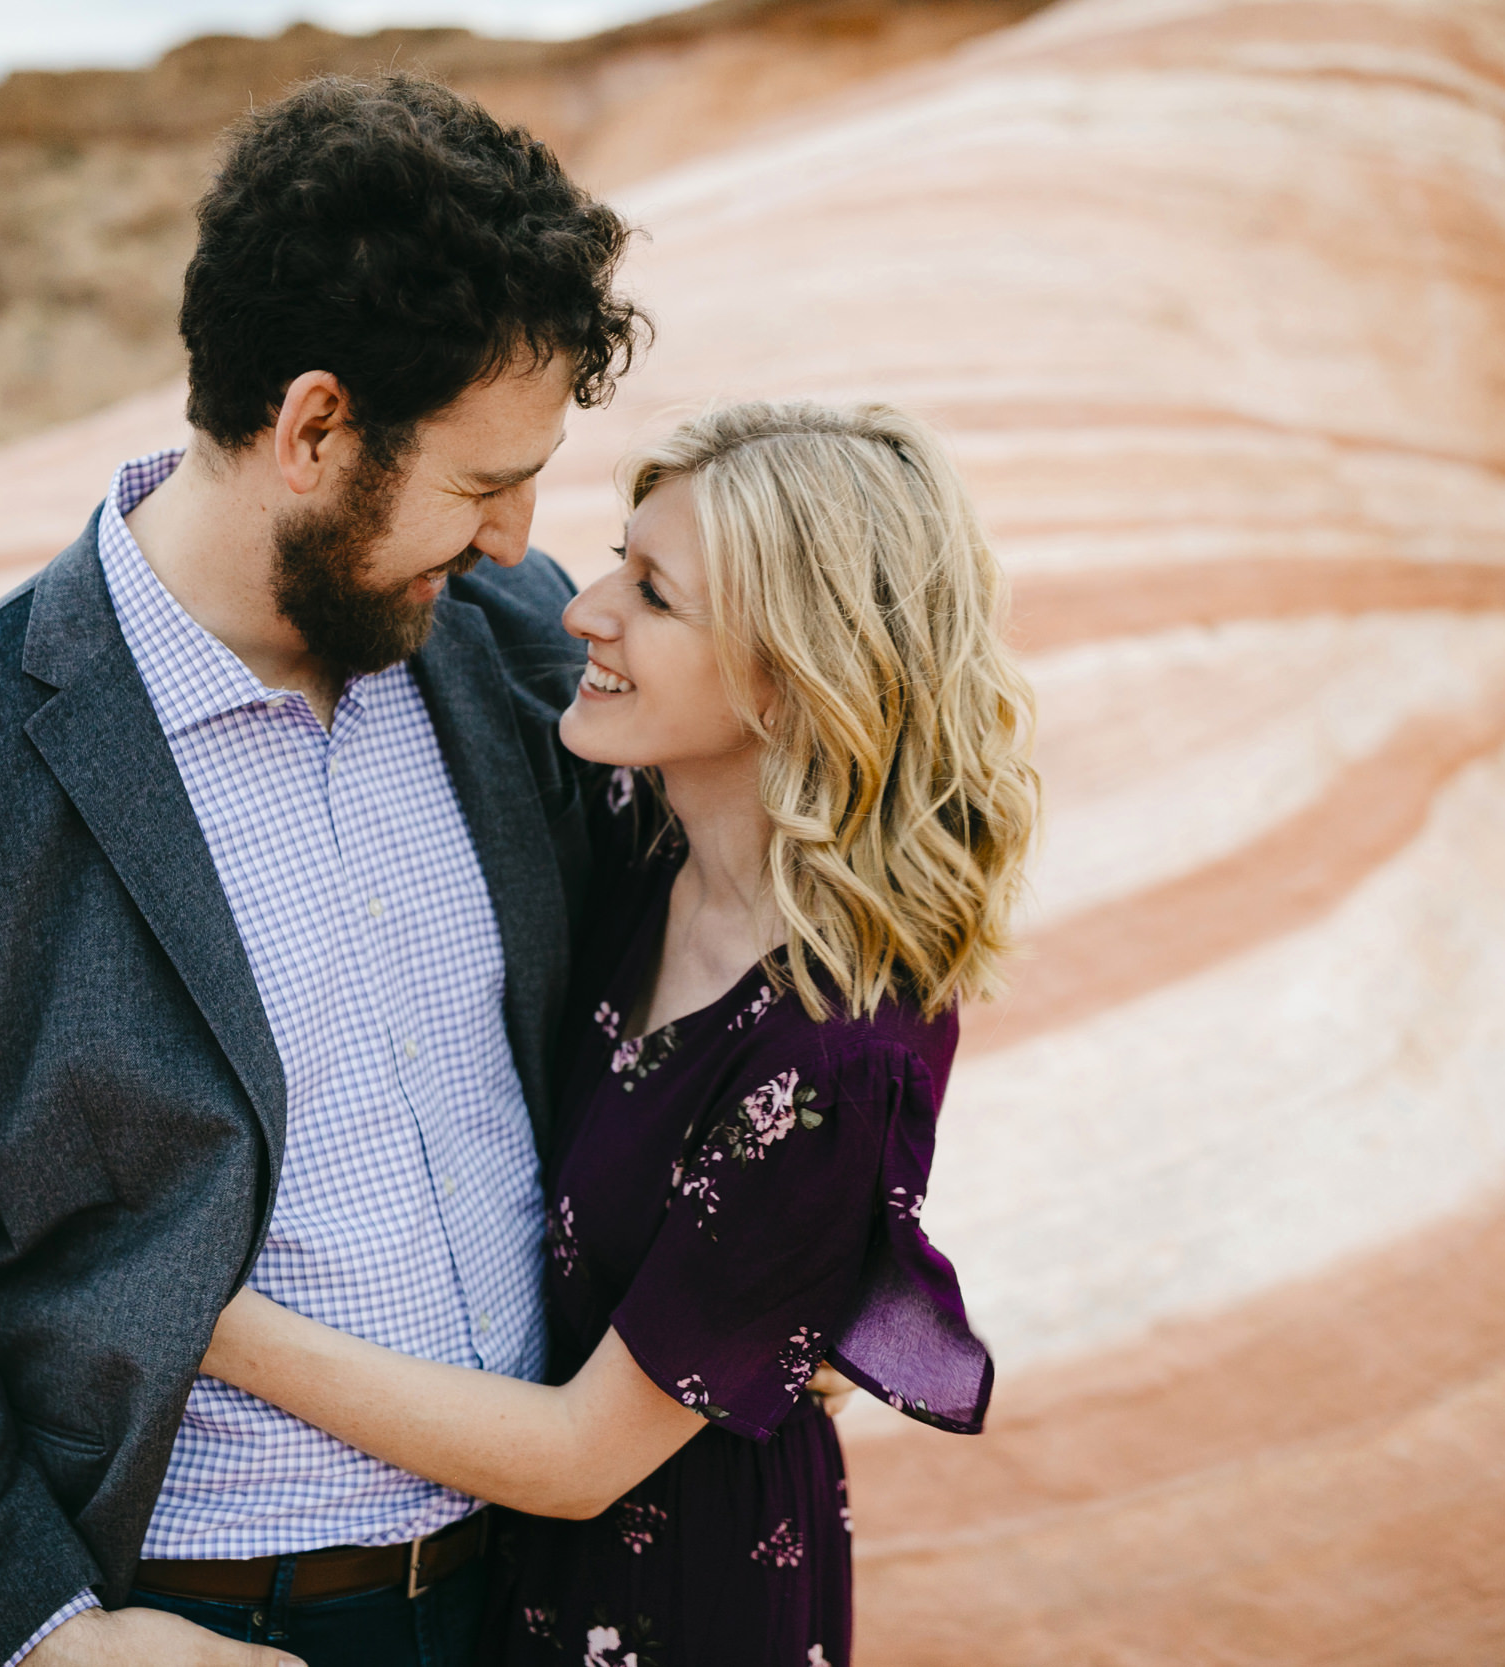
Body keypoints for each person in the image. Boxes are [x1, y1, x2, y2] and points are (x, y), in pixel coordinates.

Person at [0, 74, 646, 1667]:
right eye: (479, 482)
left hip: (560, 1589)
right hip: (221, 1619)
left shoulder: (516, 647)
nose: (521, 538)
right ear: (314, 428)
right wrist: (47, 1636)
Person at [197, 400, 1040, 1667]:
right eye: (616, 558)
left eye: (652, 592)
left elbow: (582, 1456)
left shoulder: (831, 1053)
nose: (583, 610)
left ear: (789, 667)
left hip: (673, 1603)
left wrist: (195, 1312)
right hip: (501, 1572)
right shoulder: (633, 833)